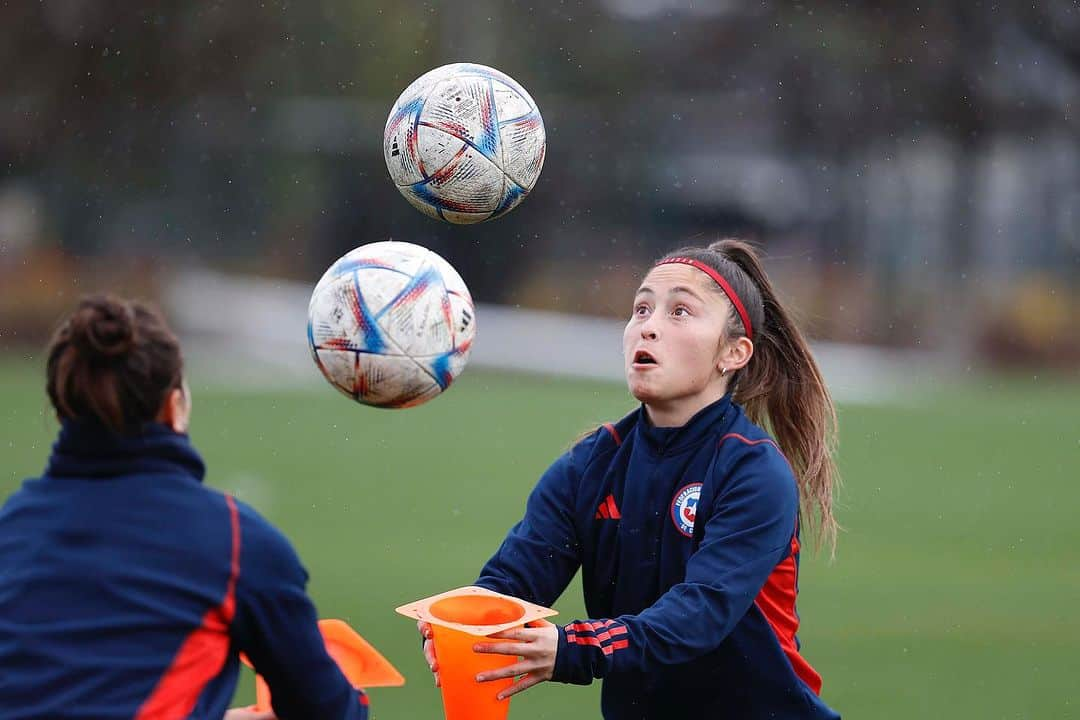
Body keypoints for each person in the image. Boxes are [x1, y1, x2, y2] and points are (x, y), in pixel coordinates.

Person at [420, 238, 842, 718]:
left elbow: (699, 614)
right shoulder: (590, 466)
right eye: (641, 309)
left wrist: (574, 648)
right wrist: (467, 620)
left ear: (734, 352)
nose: (649, 327)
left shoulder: (754, 471)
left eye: (680, 311)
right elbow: (516, 578)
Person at [0, 295, 369, 720]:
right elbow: (328, 712)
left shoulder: (12, 527)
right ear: (173, 406)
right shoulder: (234, 543)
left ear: (64, 410)